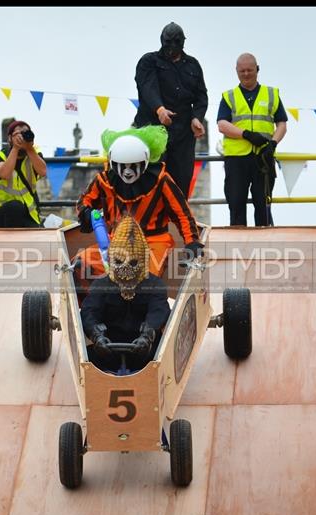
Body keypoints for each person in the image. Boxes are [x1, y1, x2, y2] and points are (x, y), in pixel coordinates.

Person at [76, 125, 203, 281]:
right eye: (123, 166)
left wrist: (192, 242)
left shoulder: (161, 181)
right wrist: (86, 212)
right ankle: (94, 303)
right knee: (80, 266)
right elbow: (85, 200)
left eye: (133, 166)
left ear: (145, 162)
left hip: (153, 243)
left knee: (144, 278)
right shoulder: (104, 180)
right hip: (115, 244)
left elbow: (182, 214)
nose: (127, 172)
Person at [81, 216, 171, 373]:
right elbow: (89, 312)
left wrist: (147, 335)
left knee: (163, 355)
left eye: (133, 263)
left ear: (142, 261)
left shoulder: (155, 285)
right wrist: (96, 335)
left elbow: (159, 311)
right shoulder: (101, 286)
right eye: (120, 262)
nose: (125, 269)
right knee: (84, 359)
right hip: (108, 349)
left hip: (146, 352)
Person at [133, 22, 208, 198]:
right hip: (152, 129)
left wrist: (197, 117)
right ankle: (150, 222)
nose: (172, 47)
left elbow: (201, 96)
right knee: (151, 179)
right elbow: (147, 87)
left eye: (177, 42)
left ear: (183, 42)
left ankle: (176, 221)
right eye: (169, 42)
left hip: (182, 133)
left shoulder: (193, 65)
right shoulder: (148, 61)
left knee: (180, 182)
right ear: (162, 41)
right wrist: (160, 109)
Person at [217, 53, 288, 226]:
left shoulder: (271, 93)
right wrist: (246, 134)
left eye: (250, 70)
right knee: (236, 205)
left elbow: (282, 124)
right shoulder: (229, 96)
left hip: (263, 158)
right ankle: (237, 249)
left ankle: (264, 247)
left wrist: (273, 143)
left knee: (263, 206)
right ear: (236, 71)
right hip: (236, 159)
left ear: (257, 69)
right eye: (242, 71)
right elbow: (222, 125)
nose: (246, 74)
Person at [0, 120, 47, 228]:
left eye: (25, 133)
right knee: (15, 207)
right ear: (10, 138)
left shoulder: (34, 155)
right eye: (18, 134)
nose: (22, 137)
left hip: (29, 213)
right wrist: (15, 148)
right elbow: (5, 174)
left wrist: (29, 148)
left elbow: (43, 171)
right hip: (3, 211)